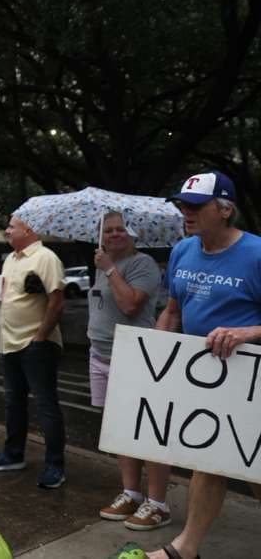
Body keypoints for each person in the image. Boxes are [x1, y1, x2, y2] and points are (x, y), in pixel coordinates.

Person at [137, 172, 261, 559]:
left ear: (225, 210)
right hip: (203, 378)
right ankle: (187, 548)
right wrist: (154, 355)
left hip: (249, 378)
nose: (185, 212)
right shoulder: (182, 251)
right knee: (211, 460)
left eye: (195, 206)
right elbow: (173, 312)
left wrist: (247, 333)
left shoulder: (257, 254)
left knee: (252, 465)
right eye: (182, 205)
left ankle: (186, 548)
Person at [88, 212, 170, 530]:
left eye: (121, 229)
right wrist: (104, 267)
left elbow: (131, 305)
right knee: (121, 431)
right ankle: (132, 494)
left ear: (133, 235)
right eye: (108, 230)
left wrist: (109, 270)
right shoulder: (100, 262)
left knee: (147, 431)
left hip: (134, 356)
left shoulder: (142, 264)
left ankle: (158, 503)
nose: (115, 234)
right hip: (101, 354)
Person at [0, 215, 67, 489]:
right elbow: (9, 296)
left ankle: (55, 465)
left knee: (46, 404)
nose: (7, 230)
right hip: (9, 342)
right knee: (13, 402)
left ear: (28, 229)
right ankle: (13, 454)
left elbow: (57, 301)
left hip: (35, 343)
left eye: (11, 226)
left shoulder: (45, 257)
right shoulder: (10, 259)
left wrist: (41, 336)